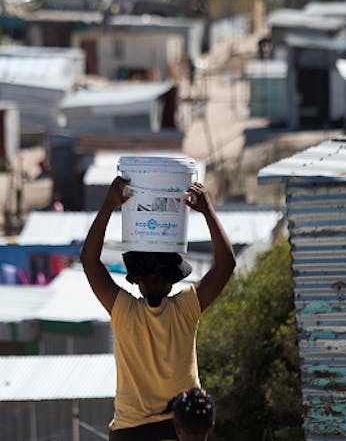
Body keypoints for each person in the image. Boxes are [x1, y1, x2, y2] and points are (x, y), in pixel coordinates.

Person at [80, 176, 235, 441]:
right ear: (171, 283)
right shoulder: (185, 308)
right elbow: (226, 265)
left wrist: (108, 205)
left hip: (130, 432)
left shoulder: (124, 311)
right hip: (182, 426)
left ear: (137, 282)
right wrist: (207, 210)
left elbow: (89, 260)